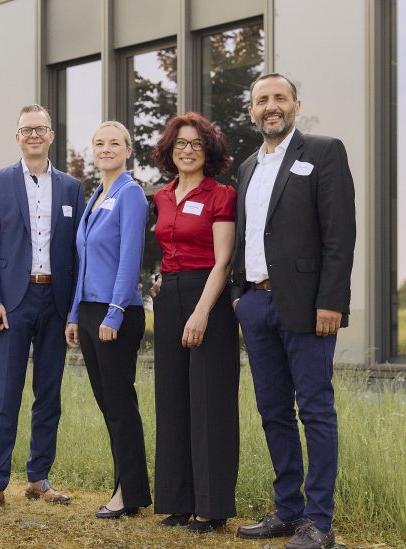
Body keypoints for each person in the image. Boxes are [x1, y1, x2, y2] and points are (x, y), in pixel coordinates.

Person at [232, 73, 355, 549]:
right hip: (257, 305)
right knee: (273, 411)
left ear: (296, 105)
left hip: (308, 306)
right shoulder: (246, 168)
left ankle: (318, 522)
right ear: (252, 111)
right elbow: (247, 235)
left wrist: (332, 301)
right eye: (262, 100)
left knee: (316, 410)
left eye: (279, 98)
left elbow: (340, 234)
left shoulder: (323, 152)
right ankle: (287, 510)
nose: (271, 106)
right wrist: (241, 297)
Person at [0, 104, 85, 514]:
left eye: (40, 128)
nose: (33, 135)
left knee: (49, 394)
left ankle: (38, 478)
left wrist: (74, 311)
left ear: (51, 135)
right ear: (16, 137)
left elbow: (78, 251)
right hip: (12, 302)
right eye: (26, 129)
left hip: (55, 301)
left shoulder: (72, 187)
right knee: (5, 393)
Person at [148, 113, 240, 532]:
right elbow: (169, 245)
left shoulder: (221, 194)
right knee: (172, 399)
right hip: (169, 298)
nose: (187, 150)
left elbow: (222, 260)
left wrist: (201, 311)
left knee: (209, 402)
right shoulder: (163, 196)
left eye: (196, 144)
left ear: (209, 151)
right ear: (170, 150)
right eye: (180, 143)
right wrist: (160, 280)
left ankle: (212, 508)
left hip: (209, 299)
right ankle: (177, 502)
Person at [65, 121, 151, 519]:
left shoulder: (130, 194)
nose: (105, 148)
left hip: (116, 312)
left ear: (128, 150)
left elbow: (130, 258)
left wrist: (115, 312)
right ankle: (127, 486)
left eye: (114, 142)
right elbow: (84, 264)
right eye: (99, 143)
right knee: (107, 404)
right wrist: (73, 314)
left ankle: (128, 492)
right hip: (89, 311)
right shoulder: (96, 194)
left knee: (119, 404)